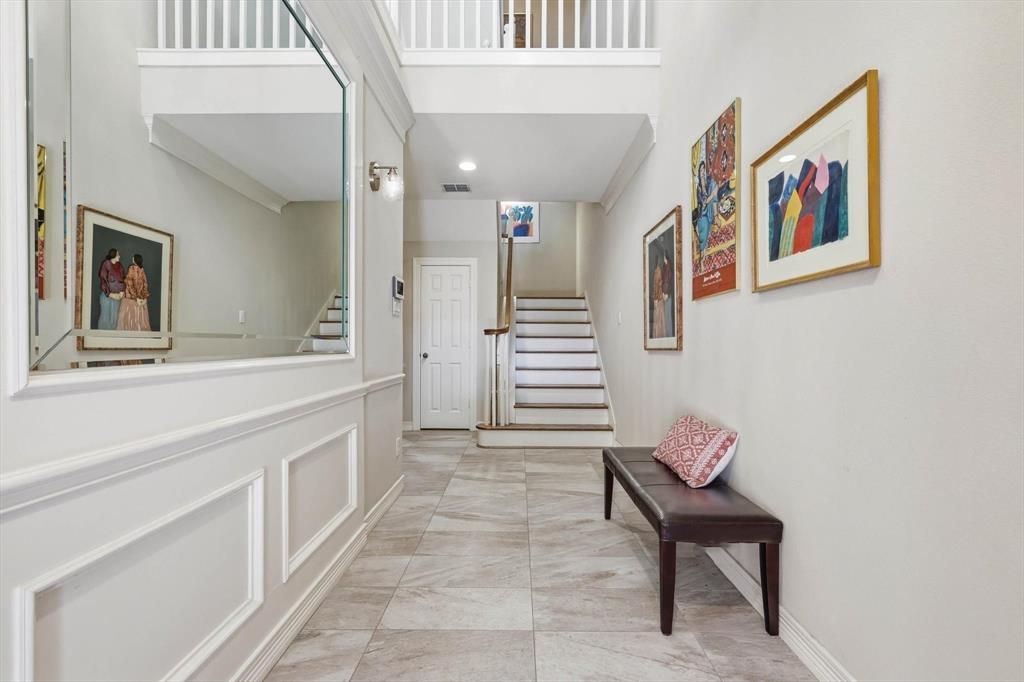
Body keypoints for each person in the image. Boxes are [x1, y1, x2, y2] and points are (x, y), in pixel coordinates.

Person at [116, 254, 152, 333]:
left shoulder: (131, 268)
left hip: (130, 298)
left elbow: (129, 284)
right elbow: (145, 284)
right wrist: (144, 297)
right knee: (140, 319)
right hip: (140, 298)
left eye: (133, 257)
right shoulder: (142, 270)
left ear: (135, 260)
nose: (132, 258)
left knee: (128, 319)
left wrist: (136, 297)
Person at [97, 248, 124, 330]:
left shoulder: (120, 266)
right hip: (107, 296)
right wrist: (110, 294)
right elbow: (103, 280)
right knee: (105, 318)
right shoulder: (106, 264)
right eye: (118, 254)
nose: (119, 256)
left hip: (118, 297)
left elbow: (123, 279)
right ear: (114, 255)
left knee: (115, 319)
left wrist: (122, 292)